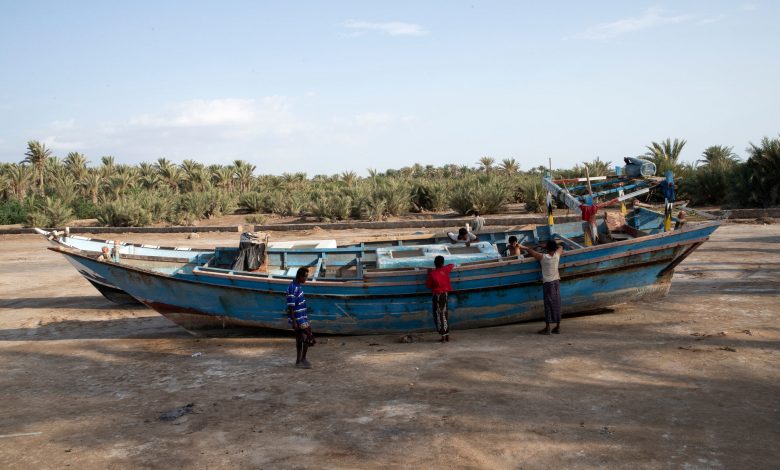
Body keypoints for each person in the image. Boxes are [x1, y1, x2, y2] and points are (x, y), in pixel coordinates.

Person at [521, 240, 564, 335]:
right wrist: (547, 246)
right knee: (557, 303)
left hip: (548, 284)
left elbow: (530, 251)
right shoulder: (557, 255)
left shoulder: (543, 257)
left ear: (547, 248)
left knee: (548, 304)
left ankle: (548, 328)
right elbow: (561, 247)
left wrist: (540, 246)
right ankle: (557, 327)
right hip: (556, 282)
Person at [286, 267, 315, 368]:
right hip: (298, 318)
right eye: (305, 277)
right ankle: (302, 359)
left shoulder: (298, 285)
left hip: (302, 316)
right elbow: (291, 306)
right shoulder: (292, 288)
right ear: (300, 276)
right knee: (307, 337)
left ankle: (299, 361)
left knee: (299, 339)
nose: (306, 279)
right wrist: (294, 321)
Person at [426, 255, 454, 342]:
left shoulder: (432, 274)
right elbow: (452, 265)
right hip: (445, 294)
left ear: (434, 263)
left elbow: (429, 285)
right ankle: (447, 335)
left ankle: (443, 337)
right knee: (444, 314)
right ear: (442, 263)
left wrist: (430, 273)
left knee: (439, 315)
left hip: (437, 296)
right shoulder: (446, 269)